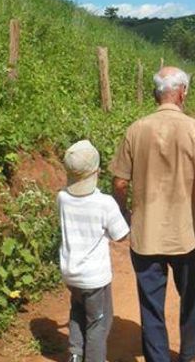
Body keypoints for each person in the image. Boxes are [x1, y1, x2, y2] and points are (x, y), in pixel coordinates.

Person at [110, 66, 195, 362]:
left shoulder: (135, 129)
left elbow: (120, 182)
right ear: (182, 92)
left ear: (155, 94)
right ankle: (187, 356)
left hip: (145, 235)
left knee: (151, 305)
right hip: (186, 234)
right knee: (190, 300)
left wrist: (121, 217)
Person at [58, 140, 130, 362]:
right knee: (99, 321)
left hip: (70, 273)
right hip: (95, 279)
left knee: (78, 312)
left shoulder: (62, 197)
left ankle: (75, 354)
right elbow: (121, 235)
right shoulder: (105, 203)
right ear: (97, 172)